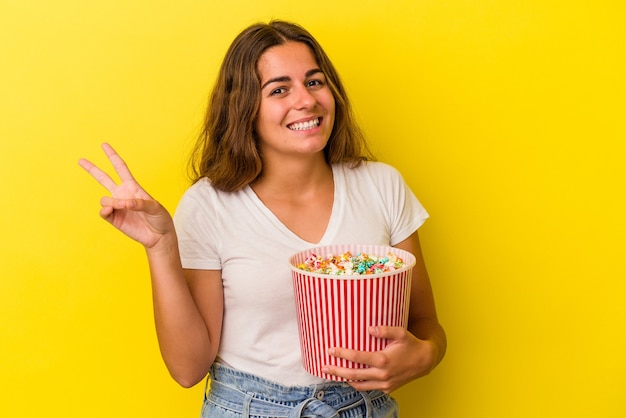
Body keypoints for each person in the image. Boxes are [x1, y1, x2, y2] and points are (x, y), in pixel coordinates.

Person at [79, 20, 446, 418]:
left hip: (365, 407)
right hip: (248, 407)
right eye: (279, 89)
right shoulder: (209, 206)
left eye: (315, 81)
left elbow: (426, 323)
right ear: (244, 109)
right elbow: (188, 369)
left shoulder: (382, 186)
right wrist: (161, 248)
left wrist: (424, 357)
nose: (306, 101)